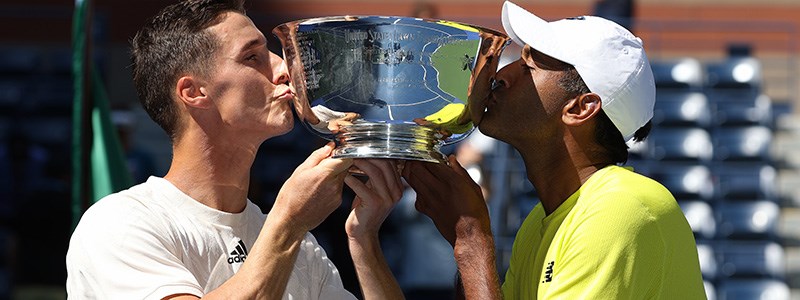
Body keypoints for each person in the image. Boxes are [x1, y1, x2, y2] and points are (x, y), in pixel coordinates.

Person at [65, 0, 404, 299]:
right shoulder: (121, 223)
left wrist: (364, 240)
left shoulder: (299, 246)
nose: (285, 69)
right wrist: (288, 221)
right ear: (194, 92)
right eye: (252, 56)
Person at [401, 1, 706, 299]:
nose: (502, 77)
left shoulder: (621, 206)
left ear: (580, 108)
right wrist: (363, 241)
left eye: (528, 67)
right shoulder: (542, 220)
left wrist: (471, 240)